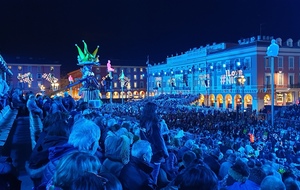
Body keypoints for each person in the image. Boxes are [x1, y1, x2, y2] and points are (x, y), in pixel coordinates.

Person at [139, 102, 169, 184]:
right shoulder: (155, 123)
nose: (157, 111)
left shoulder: (143, 121)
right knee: (154, 176)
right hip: (155, 152)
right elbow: (159, 139)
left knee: (147, 174)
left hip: (146, 150)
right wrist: (165, 153)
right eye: (156, 109)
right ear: (152, 110)